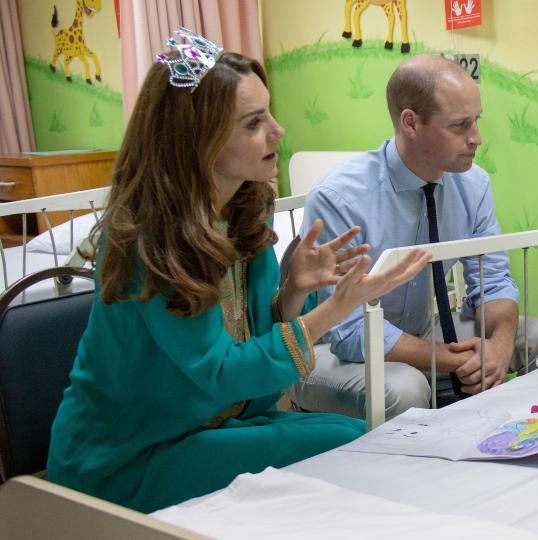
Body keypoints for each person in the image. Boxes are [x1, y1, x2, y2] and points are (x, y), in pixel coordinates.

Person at [45, 29, 430, 513]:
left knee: (363, 437)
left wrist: (293, 294)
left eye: (268, 112)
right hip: (125, 460)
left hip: (208, 425)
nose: (277, 130)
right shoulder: (152, 242)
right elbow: (224, 374)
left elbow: (257, 376)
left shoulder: (243, 213)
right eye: (253, 123)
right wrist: (334, 309)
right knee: (349, 451)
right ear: (196, 141)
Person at [290, 55, 538, 418]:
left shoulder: (473, 185)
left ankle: (528, 446)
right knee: (405, 386)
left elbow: (493, 281)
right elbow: (347, 329)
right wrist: (443, 357)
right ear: (411, 123)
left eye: (477, 120)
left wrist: (498, 348)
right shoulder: (340, 198)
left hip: (422, 335)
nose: (476, 138)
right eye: (459, 125)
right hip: (328, 352)